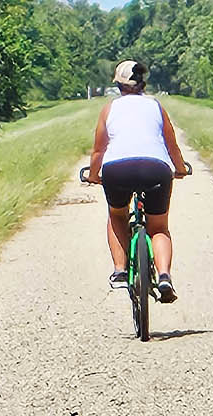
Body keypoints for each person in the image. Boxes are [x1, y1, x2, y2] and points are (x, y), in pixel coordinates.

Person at [85, 60, 190, 302]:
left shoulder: (109, 109)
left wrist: (93, 175)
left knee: (117, 215)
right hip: (156, 169)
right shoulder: (155, 106)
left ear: (119, 86)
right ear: (143, 85)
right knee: (159, 227)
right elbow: (171, 144)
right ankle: (164, 276)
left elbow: (99, 151)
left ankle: (121, 271)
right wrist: (181, 169)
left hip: (117, 170)